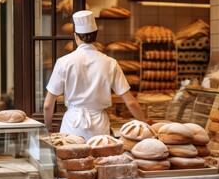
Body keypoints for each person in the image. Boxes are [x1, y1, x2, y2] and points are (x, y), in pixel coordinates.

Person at [44, 10, 149, 140]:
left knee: (70, 158)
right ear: (96, 35)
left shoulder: (64, 62)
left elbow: (48, 105)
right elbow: (131, 102)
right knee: (99, 159)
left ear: (76, 36)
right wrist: (145, 124)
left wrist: (47, 127)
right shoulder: (110, 63)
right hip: (99, 127)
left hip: (71, 126)